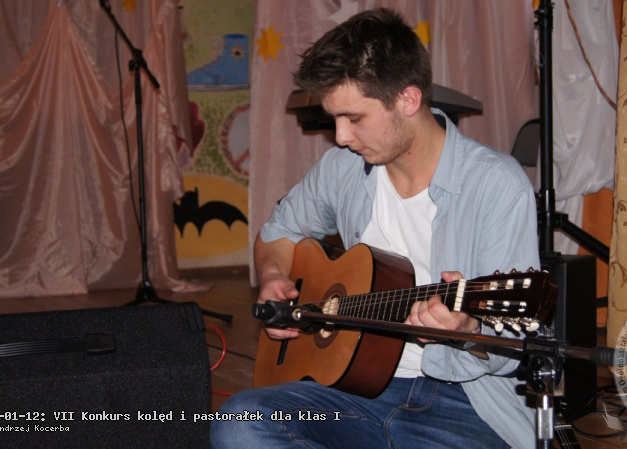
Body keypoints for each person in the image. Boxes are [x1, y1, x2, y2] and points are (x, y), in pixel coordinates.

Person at [211, 8, 540, 448]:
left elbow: (510, 346)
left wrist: (467, 332)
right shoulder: (342, 169)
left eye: (354, 118)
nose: (341, 137)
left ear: (408, 100)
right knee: (241, 421)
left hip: (465, 401)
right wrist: (273, 275)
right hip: (352, 387)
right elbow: (279, 231)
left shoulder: (496, 185)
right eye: (334, 119)